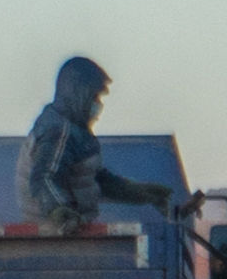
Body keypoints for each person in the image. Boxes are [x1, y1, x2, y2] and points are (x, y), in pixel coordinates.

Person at [17, 56, 181, 230]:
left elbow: (95, 180)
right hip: (55, 232)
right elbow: (44, 177)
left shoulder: (75, 132)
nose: (98, 105)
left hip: (68, 229)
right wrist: (60, 211)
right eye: (94, 97)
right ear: (77, 92)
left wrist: (144, 193)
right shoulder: (59, 131)